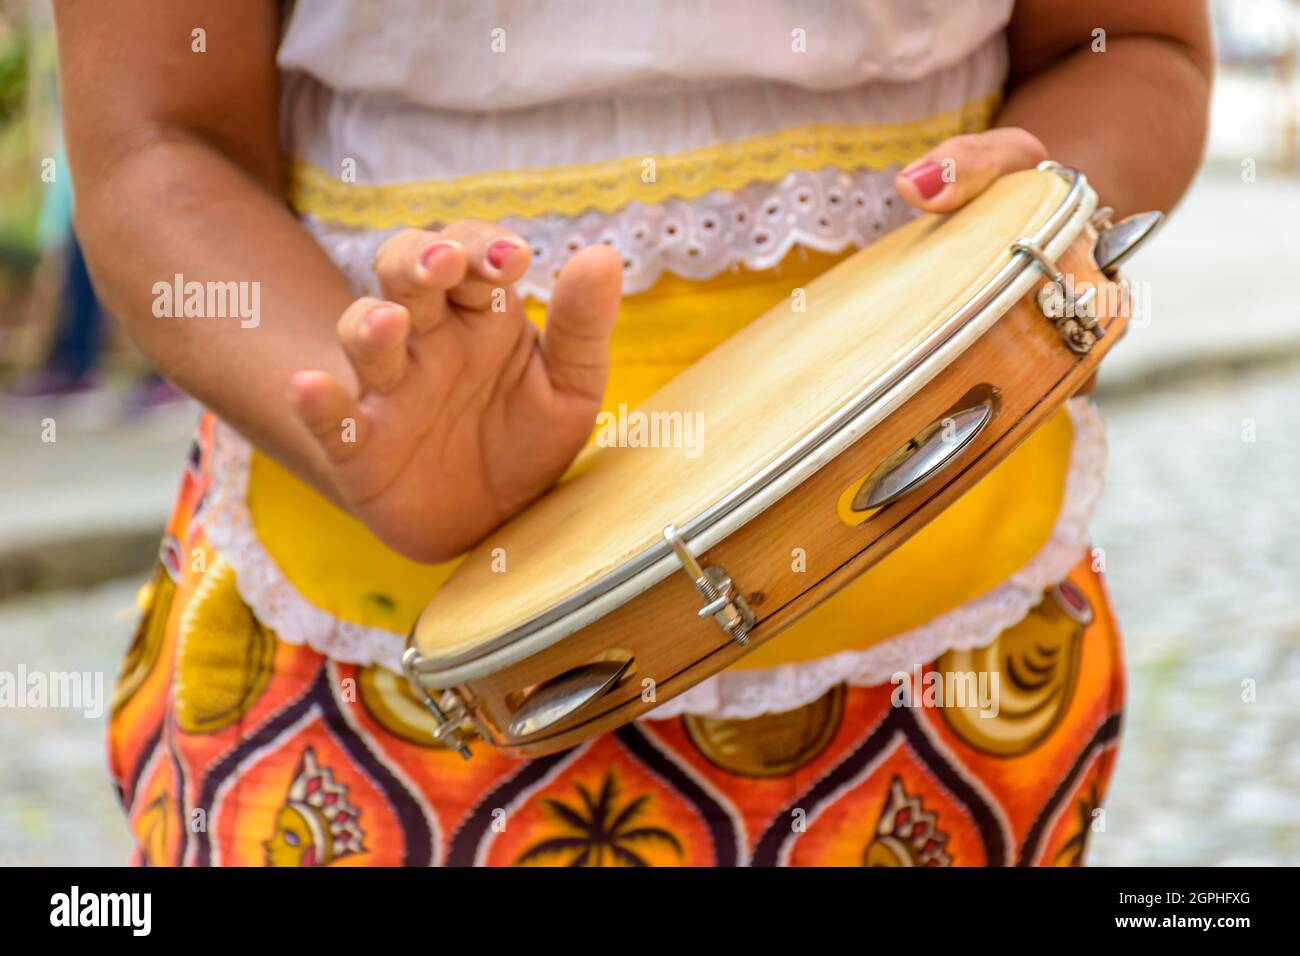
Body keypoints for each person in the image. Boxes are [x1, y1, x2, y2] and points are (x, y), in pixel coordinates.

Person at [55, 0, 1212, 866]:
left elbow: (1127, 47)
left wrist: (1035, 231)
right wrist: (368, 415)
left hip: (938, 622)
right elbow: (161, 141)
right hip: (371, 627)